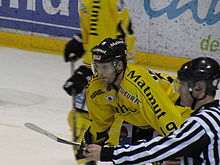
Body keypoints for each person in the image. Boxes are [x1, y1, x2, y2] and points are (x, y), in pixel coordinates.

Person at [83, 57, 220, 165]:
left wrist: (108, 154)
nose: (178, 90)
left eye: (183, 86)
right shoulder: (214, 116)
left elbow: (158, 150)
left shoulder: (201, 125)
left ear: (199, 88)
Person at [78, 37, 193, 161]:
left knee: (167, 158)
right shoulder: (96, 87)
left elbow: (166, 117)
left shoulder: (137, 85)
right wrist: (92, 140)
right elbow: (100, 122)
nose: (100, 73)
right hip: (138, 117)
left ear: (120, 65)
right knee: (127, 160)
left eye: (105, 67)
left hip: (176, 109)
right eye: (97, 67)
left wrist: (178, 147)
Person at [63, 0, 135, 164]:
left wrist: (89, 70)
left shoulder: (106, 2)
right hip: (103, 68)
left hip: (109, 72)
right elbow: (98, 32)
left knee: (98, 118)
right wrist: (80, 41)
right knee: (84, 115)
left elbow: (122, 39)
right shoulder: (88, 2)